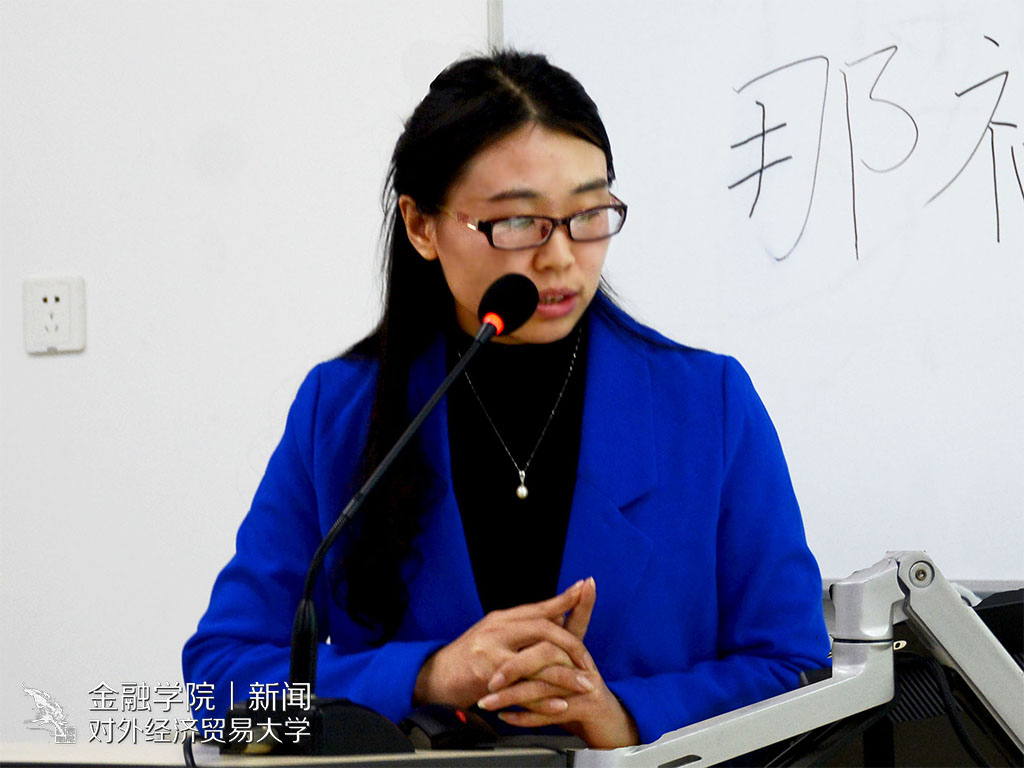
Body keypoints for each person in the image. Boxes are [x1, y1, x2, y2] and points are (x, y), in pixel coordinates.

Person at [183, 49, 831, 750]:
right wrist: (427, 675)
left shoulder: (708, 407)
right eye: (519, 223)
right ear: (421, 226)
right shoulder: (339, 412)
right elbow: (218, 684)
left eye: (589, 213)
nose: (560, 258)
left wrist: (625, 718)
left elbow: (794, 669)